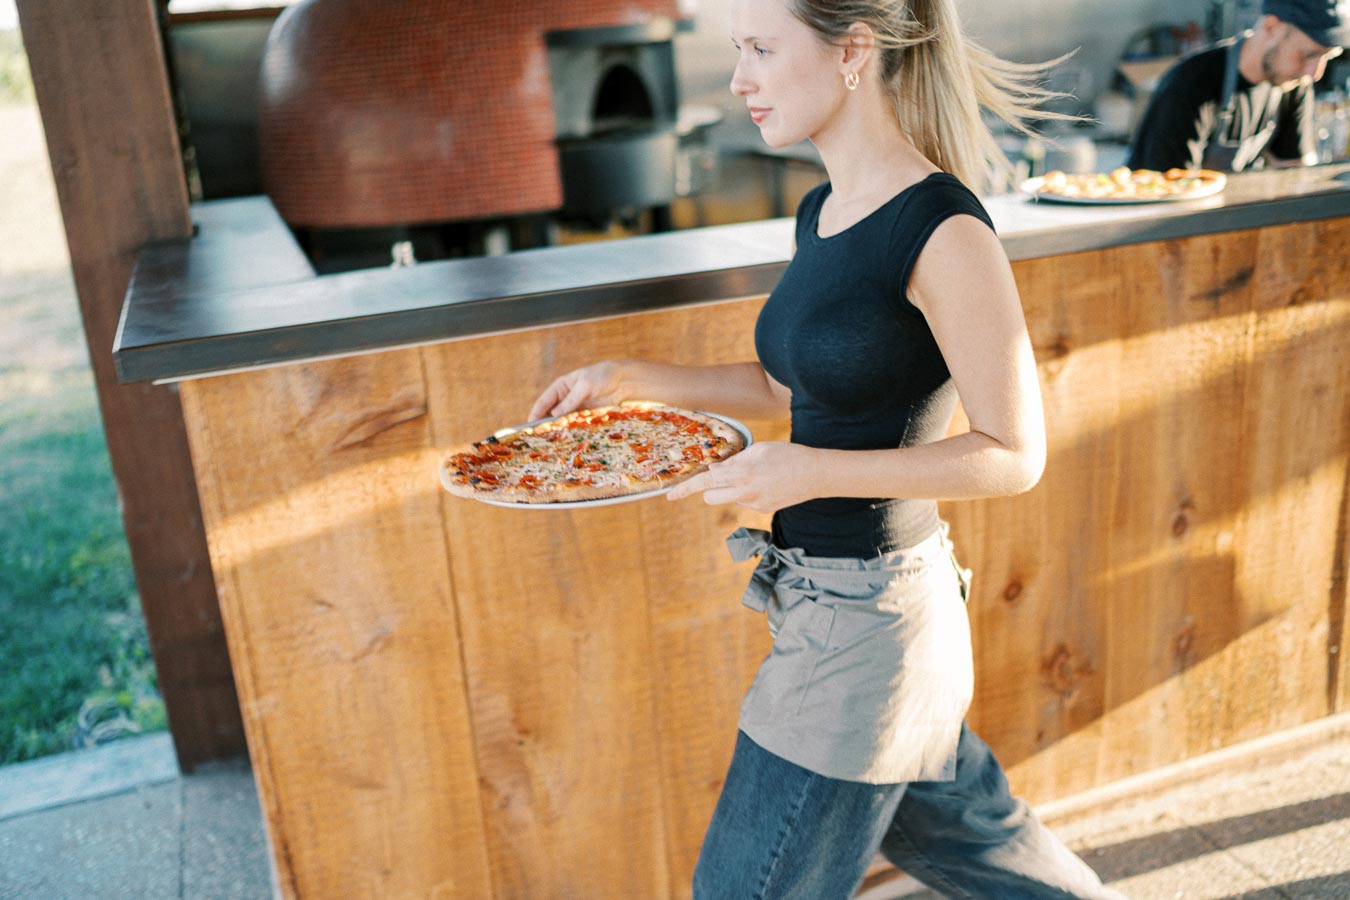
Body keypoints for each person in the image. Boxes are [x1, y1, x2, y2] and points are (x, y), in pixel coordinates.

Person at [529, 0, 1125, 896]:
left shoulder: (944, 230)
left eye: (763, 49)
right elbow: (785, 389)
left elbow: (1012, 452)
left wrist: (808, 470)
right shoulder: (824, 210)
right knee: (999, 865)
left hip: (871, 628)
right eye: (738, 51)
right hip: (831, 607)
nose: (739, 80)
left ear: (853, 51)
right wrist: (630, 375)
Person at [1127, 0, 1348, 172]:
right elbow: (1168, 191)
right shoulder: (1191, 84)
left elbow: (1296, 177)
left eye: (1326, 57)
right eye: (1308, 55)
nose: (1315, 73)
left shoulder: (1294, 84)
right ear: (1271, 27)